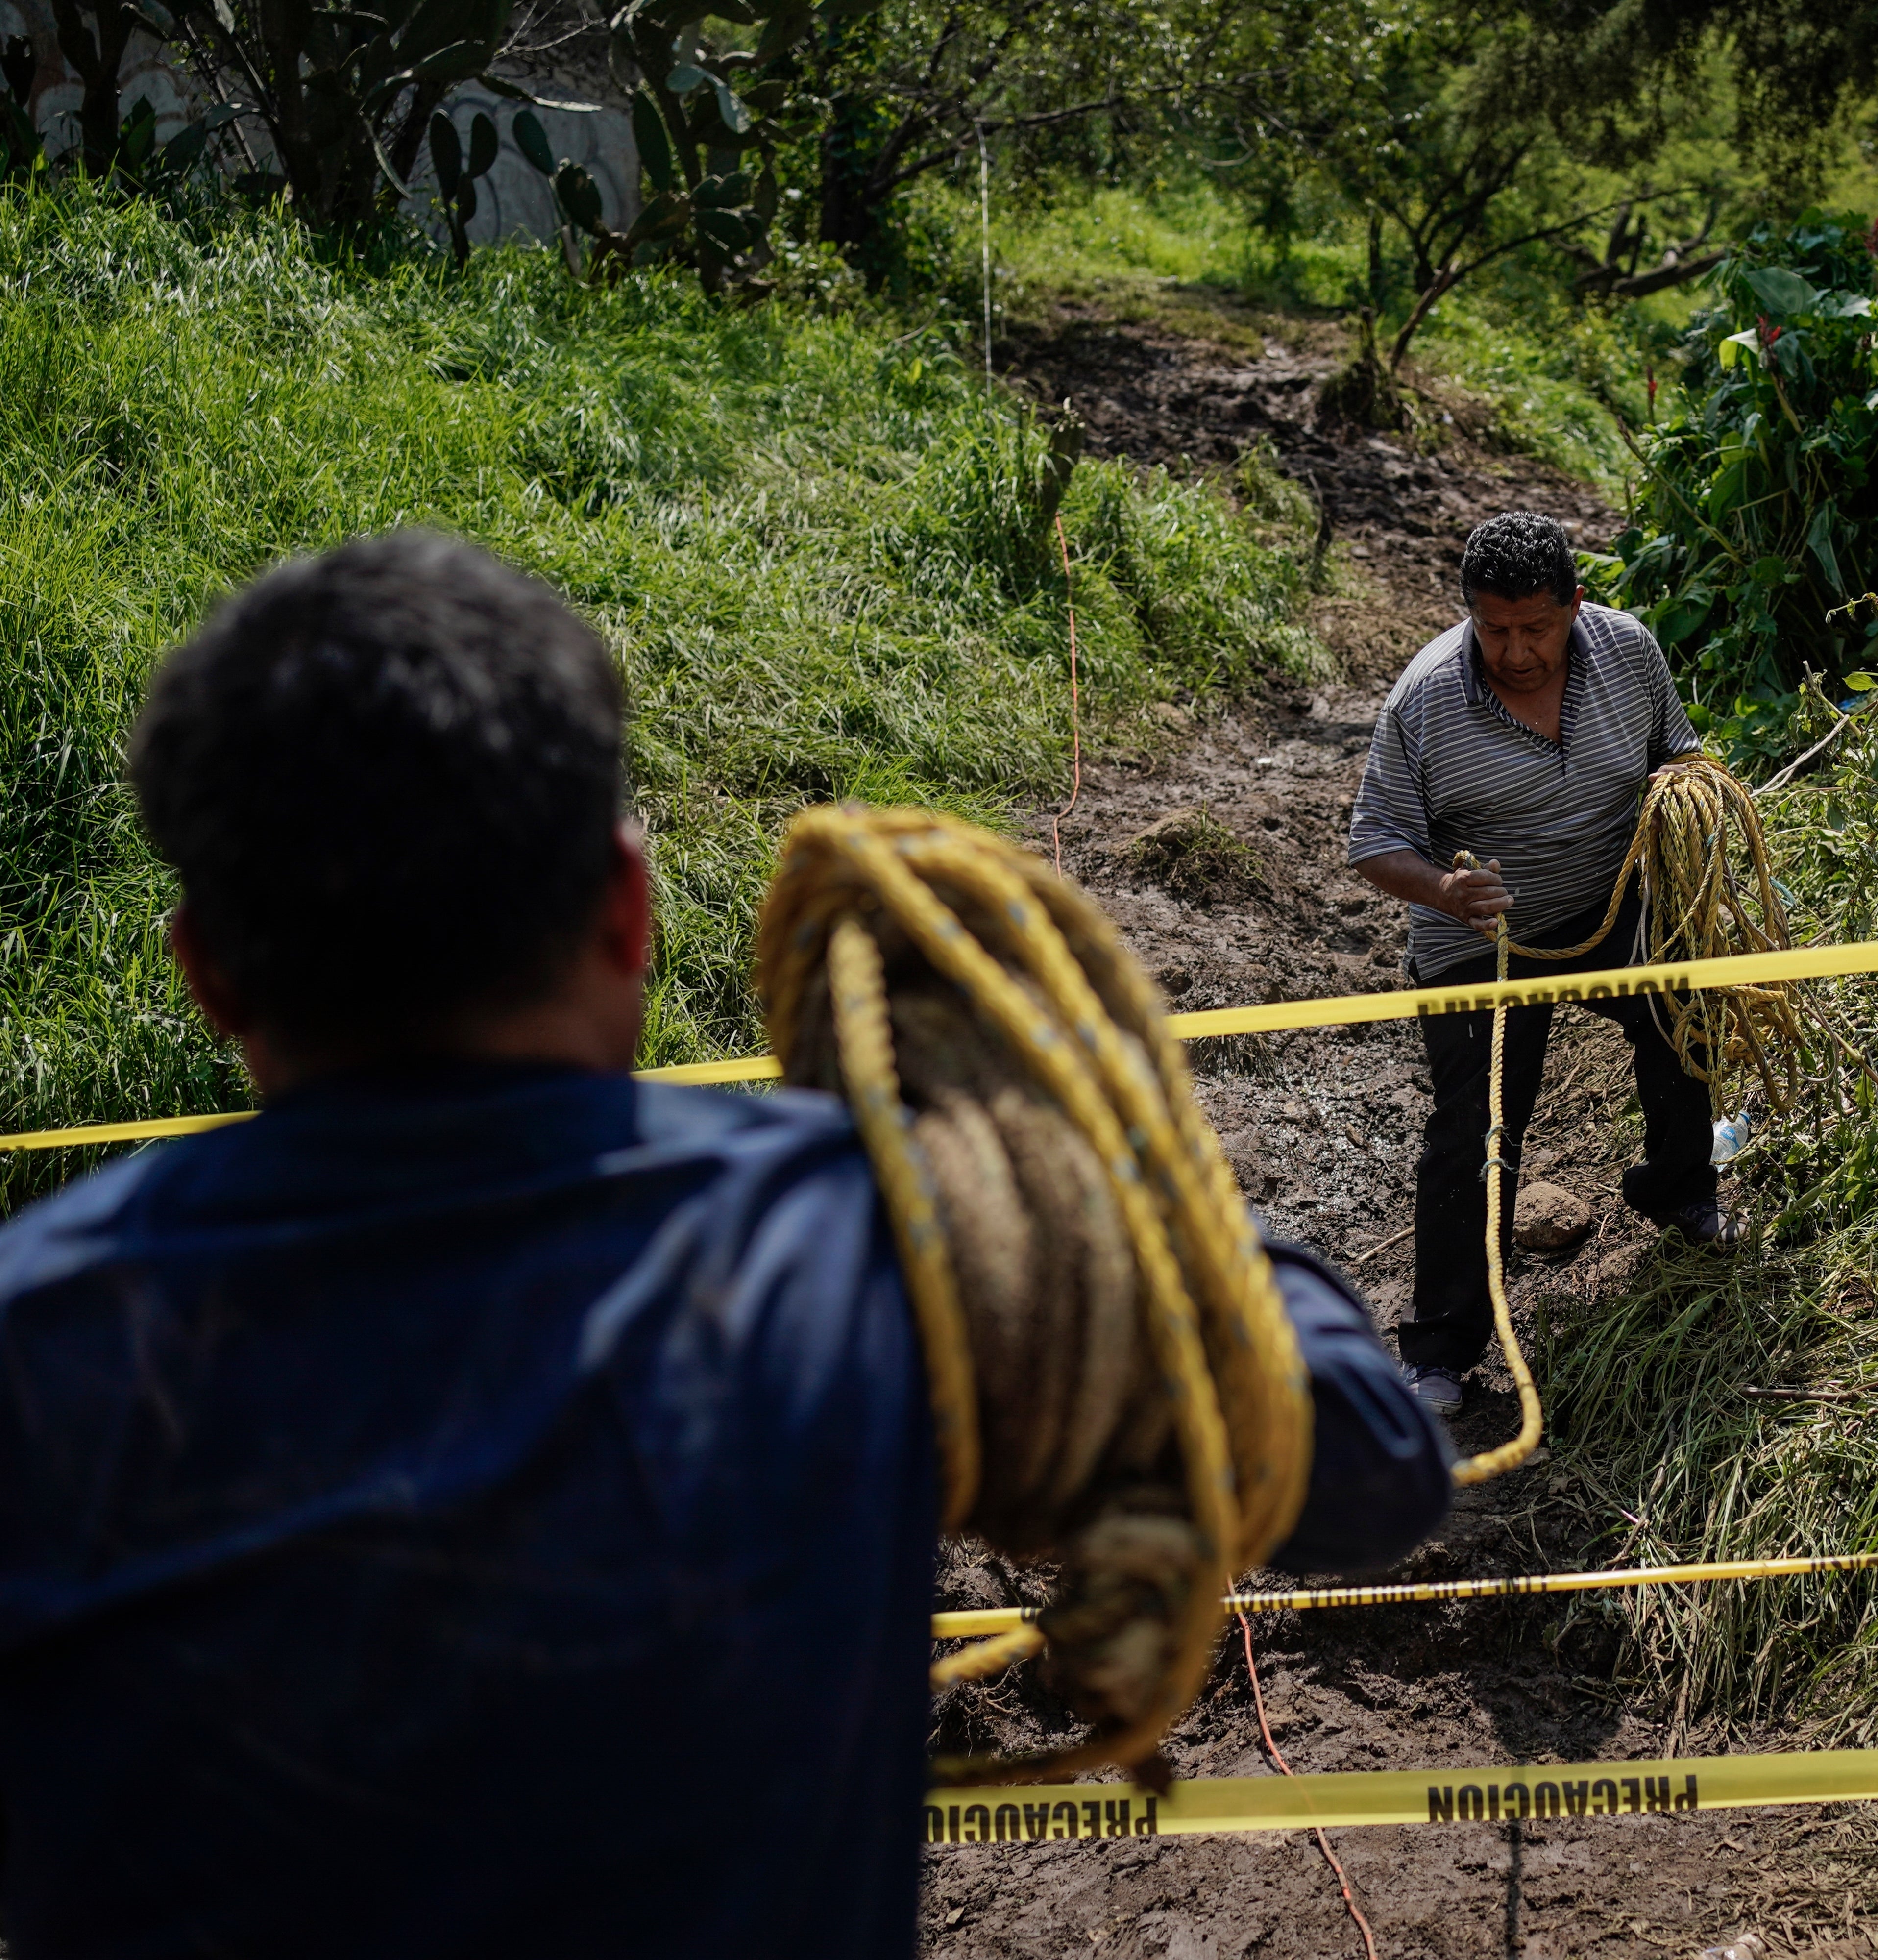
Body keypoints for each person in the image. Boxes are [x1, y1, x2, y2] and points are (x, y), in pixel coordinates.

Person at [0, 532, 1451, 1960]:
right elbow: (1370, 1471)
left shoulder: (40, 1337)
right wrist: (1098, 1155)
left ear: (201, 972)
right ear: (628, 909)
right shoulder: (881, 1251)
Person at [1349, 511, 1743, 1418]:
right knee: (1479, 1128)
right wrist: (1444, 890)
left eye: (1537, 627)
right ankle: (1444, 1345)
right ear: (1469, 617)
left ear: (1575, 604)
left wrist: (1687, 786)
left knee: (1683, 1019)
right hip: (1477, 939)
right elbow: (1373, 843)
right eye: (1495, 630)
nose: (1517, 651)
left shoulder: (1630, 652)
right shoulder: (1425, 700)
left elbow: (1677, 753)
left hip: (1610, 907)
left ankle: (1680, 1192)